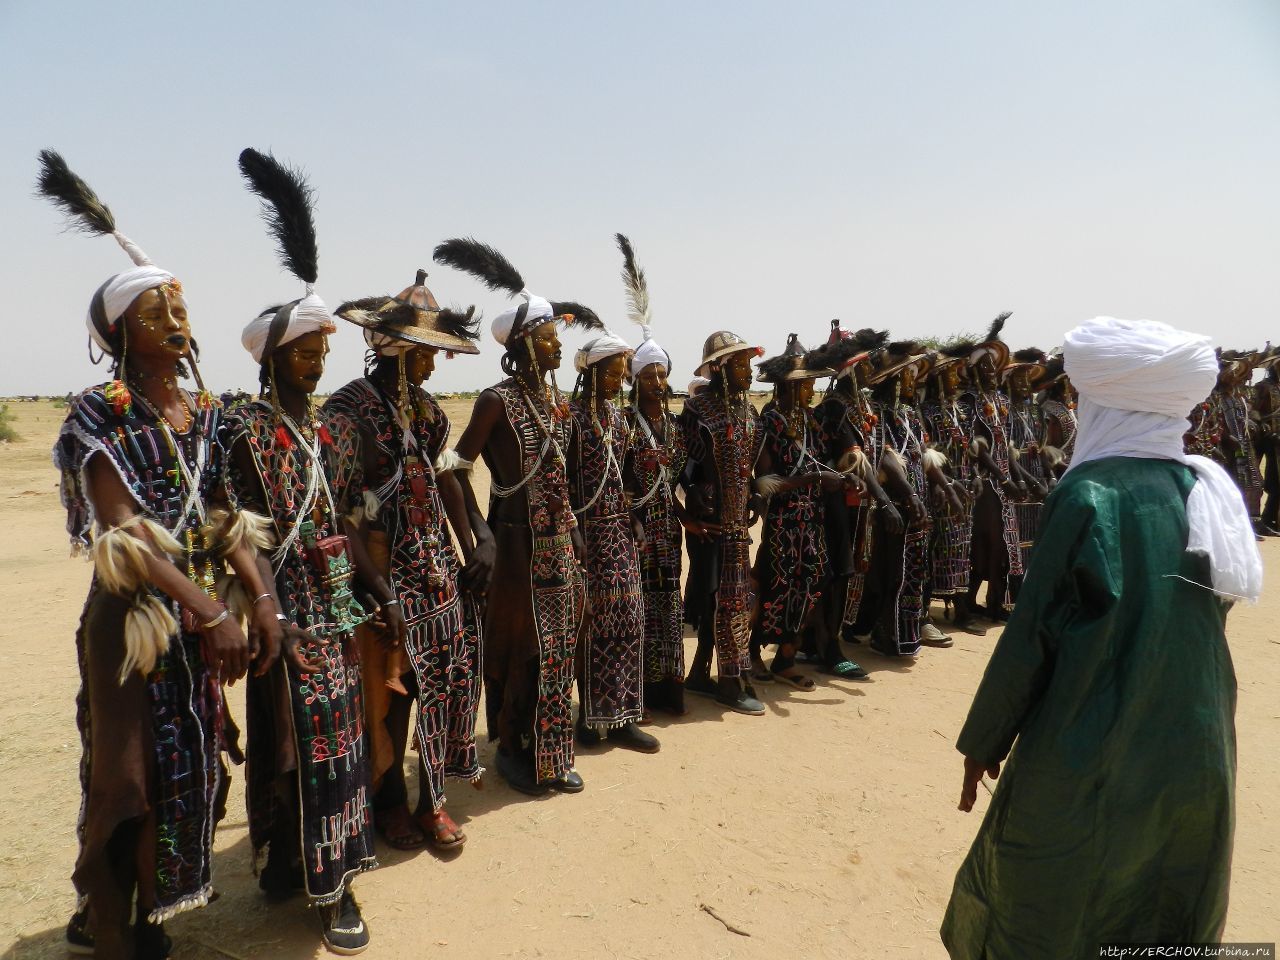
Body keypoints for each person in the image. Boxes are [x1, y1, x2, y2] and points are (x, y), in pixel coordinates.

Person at [942, 316, 1260, 959]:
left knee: (1051, 892)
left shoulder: (1087, 494)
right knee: (1167, 892)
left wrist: (983, 742)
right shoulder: (1205, 491)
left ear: (1105, 404)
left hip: (1096, 732)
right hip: (1195, 744)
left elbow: (1032, 635)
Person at [40, 150, 277, 960]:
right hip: (135, 625)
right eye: (154, 311)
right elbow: (126, 535)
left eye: (178, 306)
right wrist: (211, 611)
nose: (174, 321)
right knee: (127, 785)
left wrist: (260, 598)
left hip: (195, 624)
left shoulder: (204, 410)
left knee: (188, 777)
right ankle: (105, 928)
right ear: (120, 333)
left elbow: (222, 511)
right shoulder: (98, 413)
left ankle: (138, 917)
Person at [223, 149, 380, 954]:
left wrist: (367, 579)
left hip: (336, 606)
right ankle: (303, 870)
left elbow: (345, 511)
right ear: (273, 356)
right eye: (304, 349)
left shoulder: (330, 430)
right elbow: (232, 521)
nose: (318, 360)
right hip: (282, 606)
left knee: (334, 739)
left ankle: (336, 872)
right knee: (292, 741)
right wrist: (262, 604)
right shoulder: (244, 427)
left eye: (324, 349)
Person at [326, 270, 490, 851]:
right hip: (380, 576)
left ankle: (434, 798)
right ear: (398, 349)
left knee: (441, 688)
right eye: (428, 351)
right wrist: (376, 588)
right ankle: (389, 798)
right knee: (388, 696)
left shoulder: (428, 412)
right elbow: (339, 515)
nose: (435, 363)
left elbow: (446, 477)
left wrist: (479, 538)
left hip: (436, 571)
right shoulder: (347, 412)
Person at [432, 237, 589, 795]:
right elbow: (450, 467)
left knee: (559, 647)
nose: (556, 347)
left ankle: (551, 750)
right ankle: (514, 747)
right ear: (523, 343)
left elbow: (561, 478)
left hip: (558, 543)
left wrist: (573, 531)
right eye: (548, 338)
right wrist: (478, 532)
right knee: (524, 650)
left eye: (556, 337)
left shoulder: (558, 403)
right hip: (517, 545)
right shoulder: (494, 401)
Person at [749, 334, 862, 687]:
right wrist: (814, 478)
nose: (811, 390)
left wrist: (842, 480)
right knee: (773, 585)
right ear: (786, 387)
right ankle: (752, 652)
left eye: (812, 383)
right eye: (805, 384)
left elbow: (822, 465)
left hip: (812, 520)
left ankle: (785, 657)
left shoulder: (812, 422)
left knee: (812, 583)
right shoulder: (770, 423)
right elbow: (766, 480)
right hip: (784, 522)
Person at [567, 329, 660, 752]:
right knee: (590, 625)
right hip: (586, 534)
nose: (619, 377)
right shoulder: (570, 416)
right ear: (593, 371)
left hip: (620, 532)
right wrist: (571, 529)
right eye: (613, 370)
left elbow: (625, 476)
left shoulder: (619, 418)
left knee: (628, 621)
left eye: (622, 371)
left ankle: (623, 716)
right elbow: (562, 480)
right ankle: (590, 715)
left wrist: (636, 518)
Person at [617, 235, 693, 716]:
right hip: (635, 531)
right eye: (650, 376)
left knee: (669, 604)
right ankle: (638, 693)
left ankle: (668, 689)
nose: (658, 383)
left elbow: (680, 477)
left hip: (668, 531)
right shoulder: (624, 424)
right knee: (639, 609)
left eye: (662, 374)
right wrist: (635, 520)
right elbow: (619, 479)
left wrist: (687, 515)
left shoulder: (675, 426)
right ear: (635, 380)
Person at [681, 331, 768, 715]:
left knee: (730, 599)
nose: (747, 372)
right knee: (718, 599)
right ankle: (729, 684)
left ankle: (707, 674)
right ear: (718, 368)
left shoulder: (749, 412)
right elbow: (679, 463)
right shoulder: (700, 411)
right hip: (711, 523)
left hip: (736, 523)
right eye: (738, 365)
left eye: (748, 364)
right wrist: (692, 494)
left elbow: (747, 465)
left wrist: (755, 493)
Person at [861, 341, 943, 656]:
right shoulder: (877, 414)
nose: (913, 381)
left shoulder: (908, 413)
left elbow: (922, 453)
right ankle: (885, 632)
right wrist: (907, 497)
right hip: (893, 505)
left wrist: (944, 485)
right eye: (908, 375)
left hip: (916, 501)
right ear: (895, 380)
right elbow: (882, 457)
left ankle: (906, 633)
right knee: (892, 571)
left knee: (914, 570)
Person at [959, 314, 1024, 622]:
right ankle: (970, 602)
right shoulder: (969, 401)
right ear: (973, 370)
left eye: (994, 366)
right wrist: (1000, 478)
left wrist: (1019, 477)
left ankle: (998, 603)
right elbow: (977, 447)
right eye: (985, 366)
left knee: (1003, 547)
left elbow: (1005, 444)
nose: (992, 371)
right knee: (985, 543)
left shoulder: (1000, 400)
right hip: (983, 483)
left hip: (1003, 482)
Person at [919, 346, 987, 635]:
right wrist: (947, 484)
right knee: (934, 549)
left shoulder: (963, 410)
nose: (957, 379)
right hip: (940, 490)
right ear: (937, 378)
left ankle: (961, 609)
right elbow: (926, 453)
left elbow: (971, 449)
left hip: (965, 489)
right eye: (950, 374)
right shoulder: (926, 412)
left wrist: (975, 476)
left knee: (963, 549)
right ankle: (924, 614)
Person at [1003, 348, 1050, 576]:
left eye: (1026, 379)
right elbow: (1006, 452)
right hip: (1018, 478)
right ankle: (1014, 593)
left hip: (1038, 475)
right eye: (1018, 379)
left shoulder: (1035, 411)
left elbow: (1041, 448)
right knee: (1018, 537)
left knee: (1037, 537)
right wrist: (1029, 482)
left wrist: (1049, 477)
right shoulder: (1004, 411)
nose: (1023, 383)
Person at [1253, 351, 1280, 535]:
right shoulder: (1263, 387)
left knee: (1277, 482)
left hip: (1279, 441)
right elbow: (1252, 410)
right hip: (1263, 439)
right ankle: (1259, 520)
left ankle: (1270, 518)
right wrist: (1262, 424)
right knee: (1257, 480)